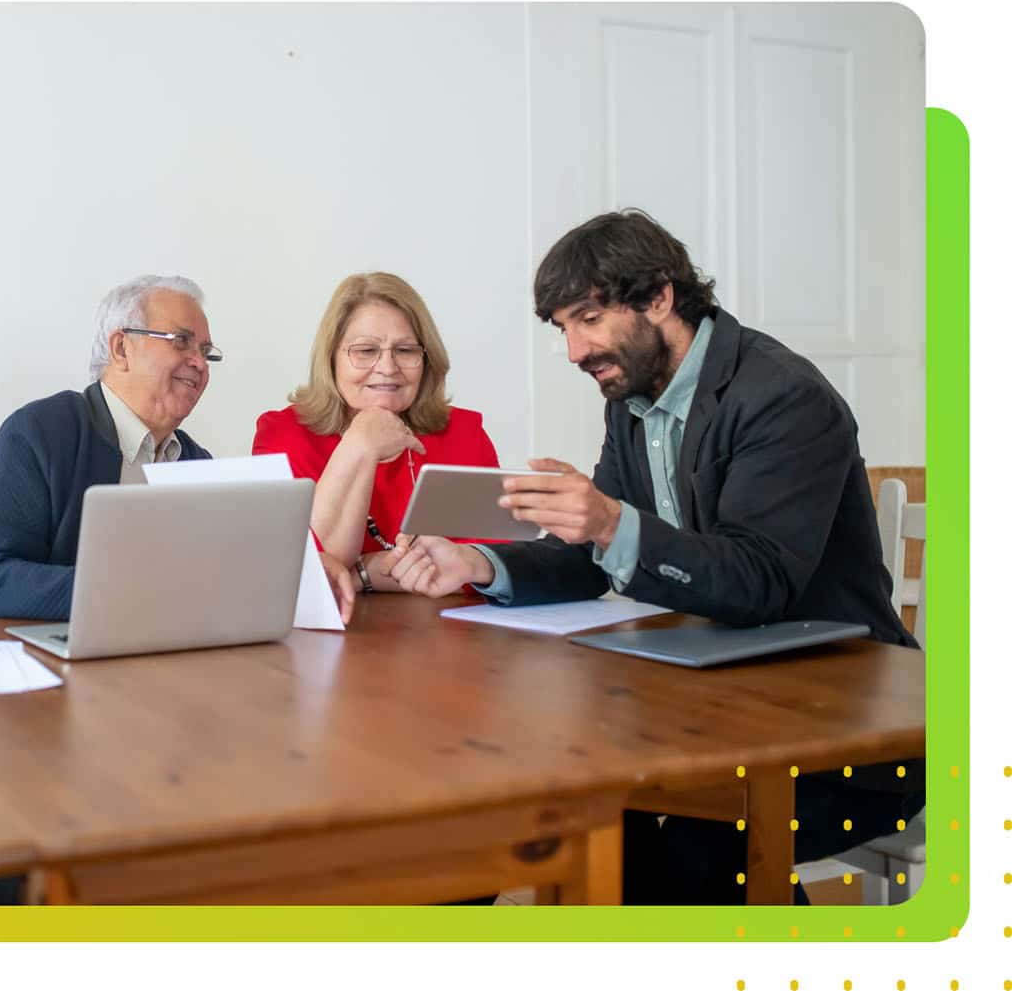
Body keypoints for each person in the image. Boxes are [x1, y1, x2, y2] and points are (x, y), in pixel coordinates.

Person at [387, 210, 923, 904]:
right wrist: (484, 566)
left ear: (660, 298)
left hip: (850, 740)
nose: (576, 349)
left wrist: (610, 521)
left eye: (589, 318)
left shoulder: (784, 398)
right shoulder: (633, 398)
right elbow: (596, 550)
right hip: (722, 705)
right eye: (563, 329)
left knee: (698, 858)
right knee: (599, 823)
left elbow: (758, 580)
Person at [0, 273, 355, 625]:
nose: (200, 363)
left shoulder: (194, 462)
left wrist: (306, 576)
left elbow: (216, 578)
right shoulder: (41, 432)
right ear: (121, 349)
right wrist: (128, 591)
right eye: (181, 341)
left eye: (206, 352)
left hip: (115, 670)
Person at [252, 272, 500, 594]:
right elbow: (305, 576)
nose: (387, 367)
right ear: (331, 359)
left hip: (458, 634)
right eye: (366, 351)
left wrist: (362, 572)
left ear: (426, 359)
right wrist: (359, 444)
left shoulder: (463, 434)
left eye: (406, 350)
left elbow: (491, 565)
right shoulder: (283, 435)